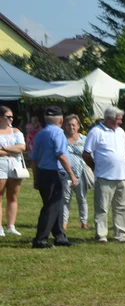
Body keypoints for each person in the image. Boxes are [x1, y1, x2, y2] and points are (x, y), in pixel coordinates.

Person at [30, 106, 77, 249]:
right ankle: (40, 239)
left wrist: (36, 178)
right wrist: (72, 175)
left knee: (55, 206)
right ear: (61, 120)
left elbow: (34, 159)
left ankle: (59, 236)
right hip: (54, 173)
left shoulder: (40, 134)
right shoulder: (58, 133)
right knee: (51, 207)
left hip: (43, 172)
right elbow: (61, 155)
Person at [83, 107, 125, 244]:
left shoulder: (121, 132)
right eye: (118, 119)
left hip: (122, 176)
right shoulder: (96, 132)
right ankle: (101, 235)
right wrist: (95, 167)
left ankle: (121, 235)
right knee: (102, 208)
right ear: (108, 119)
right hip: (104, 176)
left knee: (122, 207)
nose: (120, 122)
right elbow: (86, 153)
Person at [0, 107, 27, 236]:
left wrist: (5, 148)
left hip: (15, 164)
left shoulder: (15, 131)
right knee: (0, 195)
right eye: (8, 117)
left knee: (13, 196)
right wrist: (12, 150)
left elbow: (22, 147)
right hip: (1, 164)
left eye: (12, 117)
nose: (11, 119)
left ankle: (11, 226)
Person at [60, 115, 89, 232]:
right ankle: (64, 223)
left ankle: (84, 222)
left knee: (82, 198)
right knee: (65, 199)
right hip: (66, 173)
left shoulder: (84, 139)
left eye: (74, 125)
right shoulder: (61, 138)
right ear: (65, 126)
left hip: (81, 173)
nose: (71, 127)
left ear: (78, 126)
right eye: (69, 125)